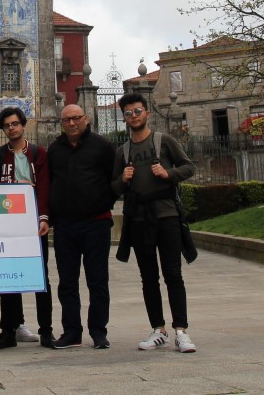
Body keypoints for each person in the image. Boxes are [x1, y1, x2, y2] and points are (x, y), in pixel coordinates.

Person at [112, 93, 197, 354]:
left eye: (137, 111)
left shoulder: (164, 141)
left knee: (173, 274)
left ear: (147, 113)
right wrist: (123, 179)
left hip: (167, 215)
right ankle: (158, 329)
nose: (133, 116)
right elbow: (113, 188)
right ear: (124, 118)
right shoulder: (123, 151)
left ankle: (181, 331)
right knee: (148, 277)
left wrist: (168, 173)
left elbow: (189, 167)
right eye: (128, 113)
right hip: (138, 219)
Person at [0, 106, 53, 349]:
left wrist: (43, 218)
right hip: (8, 225)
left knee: (40, 276)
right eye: (6, 126)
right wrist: (14, 186)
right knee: (9, 276)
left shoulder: (37, 153)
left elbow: (44, 186)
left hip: (33, 224)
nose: (11, 128)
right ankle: (8, 330)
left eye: (14, 124)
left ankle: (46, 330)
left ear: (23, 125)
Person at [47, 103, 116, 350]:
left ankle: (98, 331)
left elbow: (115, 179)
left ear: (86, 119)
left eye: (76, 118)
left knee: (97, 280)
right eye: (67, 120)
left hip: (96, 223)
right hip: (65, 225)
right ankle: (72, 332)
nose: (72, 123)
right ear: (62, 124)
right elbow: (50, 181)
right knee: (67, 281)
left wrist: (104, 202)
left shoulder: (103, 146)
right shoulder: (55, 149)